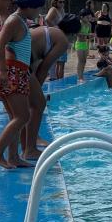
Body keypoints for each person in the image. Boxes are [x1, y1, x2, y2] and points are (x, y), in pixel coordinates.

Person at [0, 0, 45, 169]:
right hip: (10, 73)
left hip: (16, 72)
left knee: (15, 117)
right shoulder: (14, 21)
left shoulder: (20, 21)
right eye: (38, 8)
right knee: (22, 116)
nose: (39, 12)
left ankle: (13, 157)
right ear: (29, 6)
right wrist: (3, 70)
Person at [24, 16, 80, 159]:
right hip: (18, 64)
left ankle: (30, 143)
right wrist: (37, 91)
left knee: (30, 106)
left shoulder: (51, 31)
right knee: (38, 103)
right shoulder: (62, 41)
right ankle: (30, 149)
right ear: (74, 33)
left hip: (16, 60)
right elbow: (44, 69)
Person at [45, 0, 67, 79]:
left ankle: (56, 81)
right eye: (60, 2)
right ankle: (58, 82)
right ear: (55, 2)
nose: (62, 4)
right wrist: (56, 28)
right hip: (56, 37)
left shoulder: (62, 10)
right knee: (59, 62)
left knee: (60, 62)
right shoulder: (53, 9)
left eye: (63, 2)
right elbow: (47, 19)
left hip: (60, 36)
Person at [75, 9, 93, 83]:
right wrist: (88, 35)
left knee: (84, 61)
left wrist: (92, 36)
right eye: (87, 17)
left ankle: (81, 75)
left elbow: (88, 35)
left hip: (85, 44)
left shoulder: (89, 24)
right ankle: (79, 77)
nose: (88, 18)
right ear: (81, 17)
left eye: (89, 17)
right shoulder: (79, 23)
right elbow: (78, 34)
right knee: (80, 61)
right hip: (79, 44)